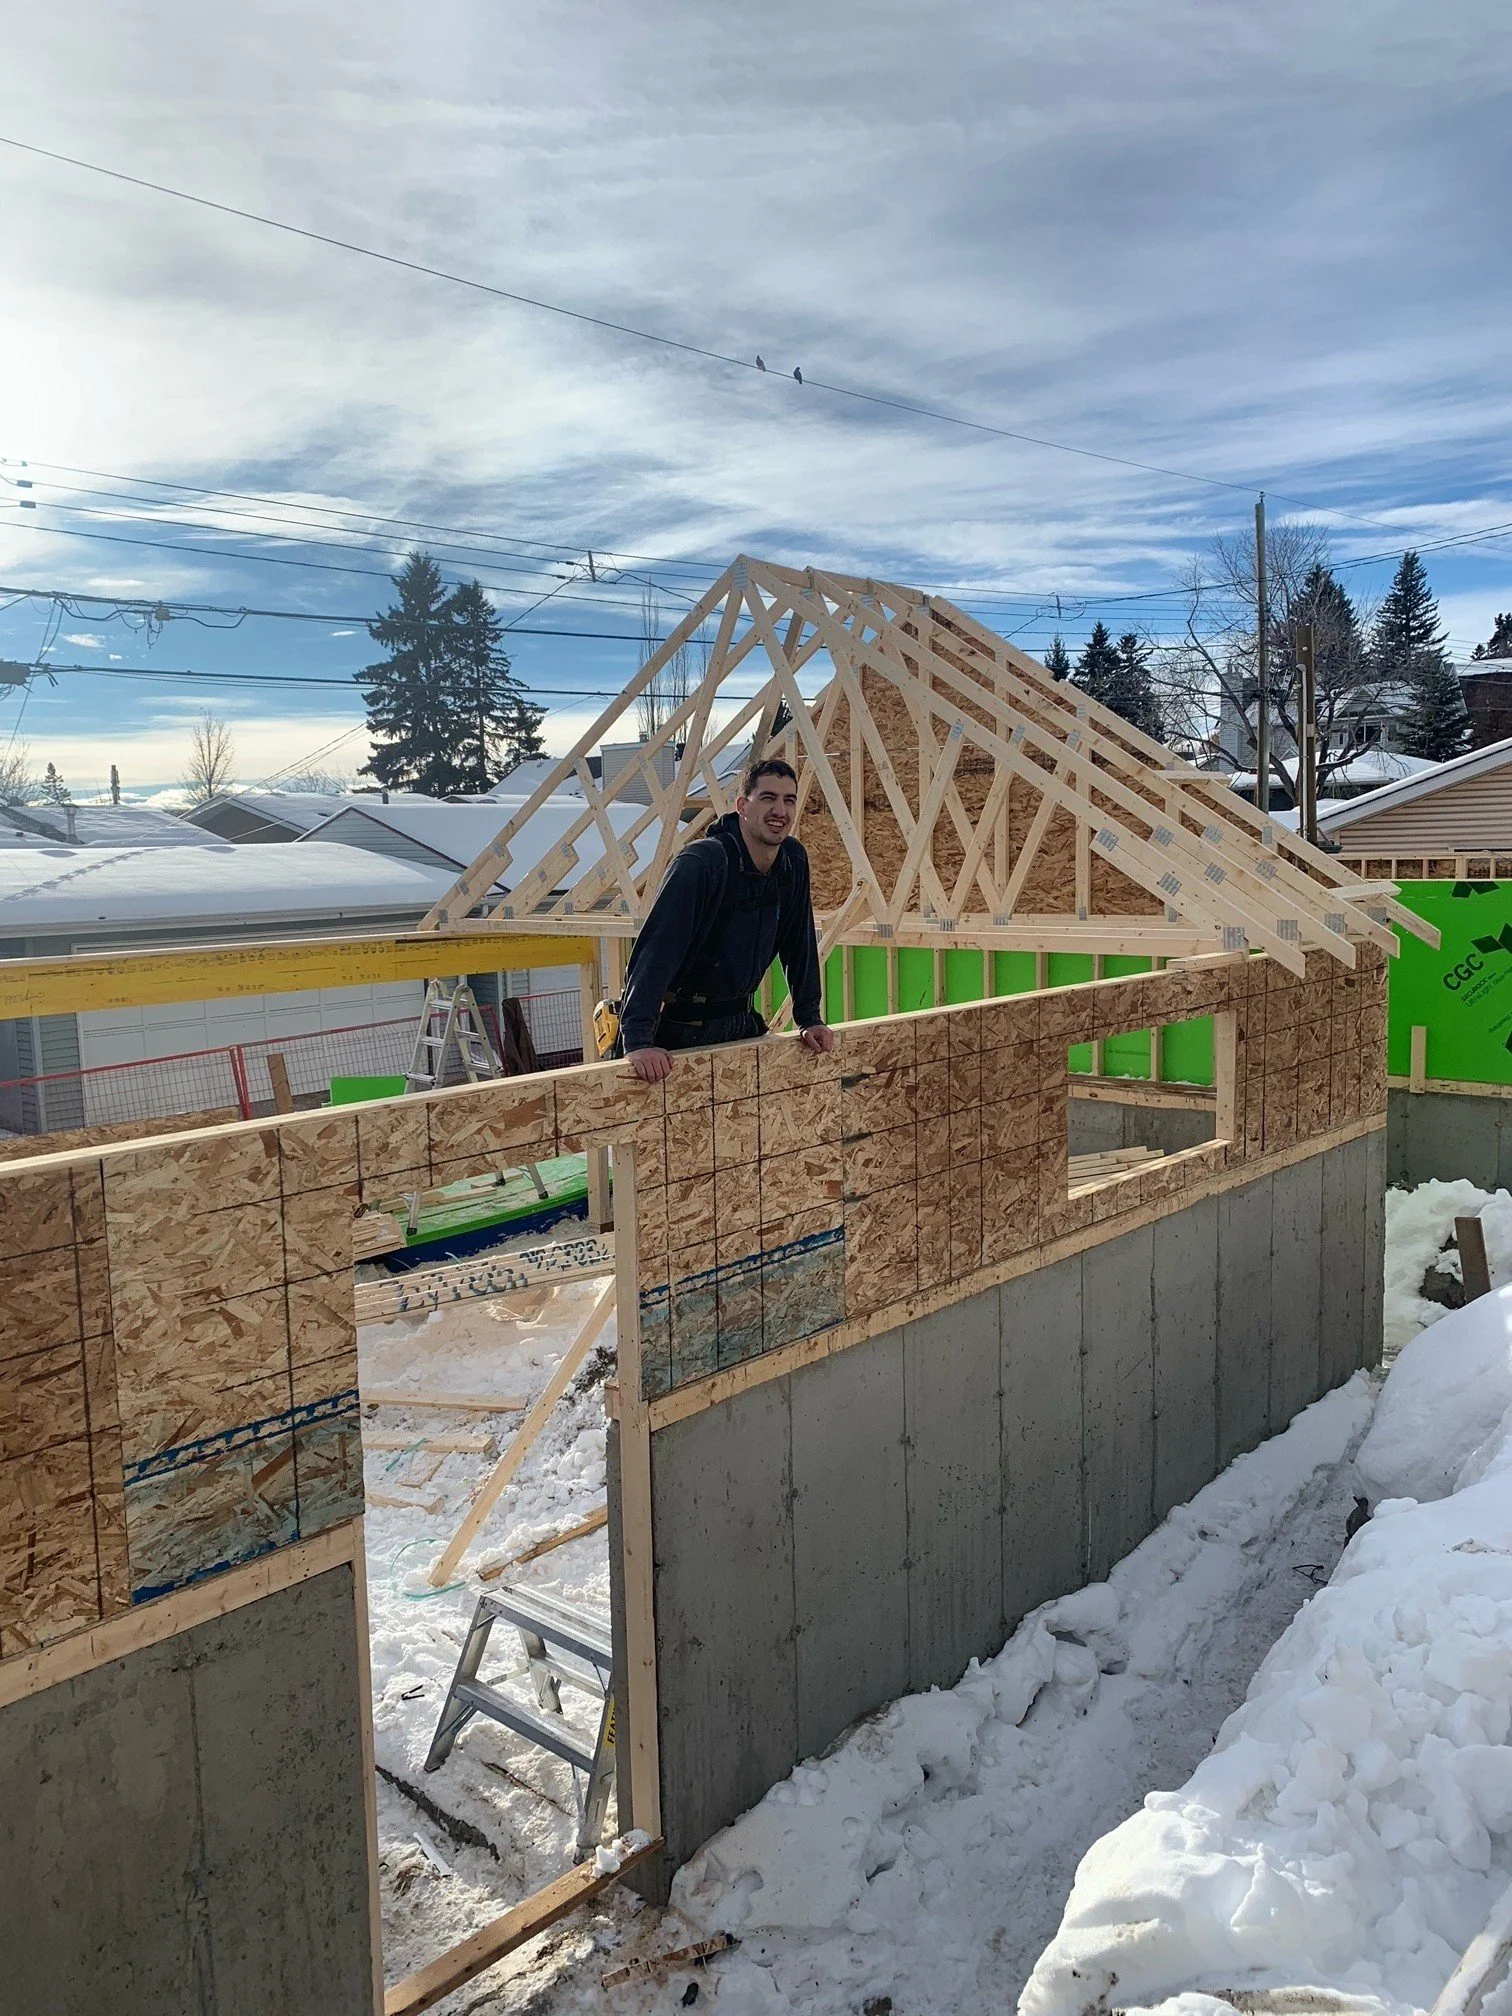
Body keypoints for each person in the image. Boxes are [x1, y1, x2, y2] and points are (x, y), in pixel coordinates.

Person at [617, 757, 836, 1083]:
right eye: (768, 798)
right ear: (742, 806)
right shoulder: (703, 863)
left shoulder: (792, 861)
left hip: (740, 1023)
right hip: (679, 1030)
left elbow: (798, 941)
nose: (780, 810)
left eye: (789, 800)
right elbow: (656, 952)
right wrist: (636, 1040)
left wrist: (809, 1017)